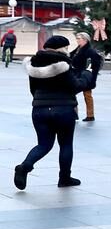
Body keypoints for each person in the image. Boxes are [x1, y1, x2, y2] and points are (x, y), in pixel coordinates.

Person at [14, 34, 97, 190]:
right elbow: (75, 86)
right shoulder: (64, 64)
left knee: (43, 144)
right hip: (63, 109)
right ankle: (64, 178)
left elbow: (33, 90)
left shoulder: (34, 63)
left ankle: (24, 166)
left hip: (39, 109)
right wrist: (87, 74)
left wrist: (42, 102)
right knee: (65, 144)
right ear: (62, 48)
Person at [72, 32, 104, 122]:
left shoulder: (90, 51)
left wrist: (93, 79)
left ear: (85, 40)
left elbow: (95, 65)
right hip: (77, 75)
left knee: (87, 95)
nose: (77, 40)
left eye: (79, 38)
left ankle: (90, 115)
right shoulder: (78, 49)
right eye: (77, 38)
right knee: (72, 93)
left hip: (86, 76)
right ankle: (75, 114)